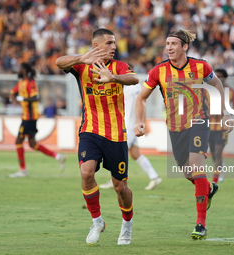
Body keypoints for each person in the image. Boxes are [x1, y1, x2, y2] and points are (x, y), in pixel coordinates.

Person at [134, 29, 233, 240]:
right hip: (175, 127)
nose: (169, 47)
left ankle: (201, 224)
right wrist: (139, 121)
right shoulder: (158, 71)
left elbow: (216, 83)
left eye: (173, 44)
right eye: (167, 44)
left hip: (198, 122)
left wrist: (223, 113)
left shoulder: (200, 66)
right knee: (189, 174)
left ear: (184, 47)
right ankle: (208, 189)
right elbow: (141, 98)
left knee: (197, 167)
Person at [56, 28, 139, 245]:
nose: (114, 47)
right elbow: (58, 61)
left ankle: (127, 224)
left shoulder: (119, 66)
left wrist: (114, 78)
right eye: (110, 43)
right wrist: (82, 57)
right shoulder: (82, 65)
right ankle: (97, 221)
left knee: (120, 187)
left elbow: (134, 78)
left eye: (114, 43)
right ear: (96, 46)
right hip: (90, 130)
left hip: (116, 135)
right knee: (86, 173)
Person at [0, 63, 67, 178]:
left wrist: (21, 98)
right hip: (27, 117)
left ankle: (23, 170)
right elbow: (10, 96)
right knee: (32, 144)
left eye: (20, 68)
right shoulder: (20, 83)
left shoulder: (30, 83)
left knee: (18, 141)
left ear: (24, 70)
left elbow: (36, 97)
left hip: (30, 117)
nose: (18, 70)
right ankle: (58, 156)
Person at [99, 83, 162, 190]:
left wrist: (143, 122)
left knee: (117, 153)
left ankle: (115, 180)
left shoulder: (132, 87)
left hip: (129, 127)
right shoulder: (123, 85)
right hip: (127, 124)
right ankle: (154, 177)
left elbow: (142, 101)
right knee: (135, 153)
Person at [205, 69, 234, 183]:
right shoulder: (207, 91)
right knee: (213, 152)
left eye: (220, 76)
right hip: (209, 126)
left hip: (222, 128)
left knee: (218, 152)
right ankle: (220, 167)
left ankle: (215, 180)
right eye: (216, 76)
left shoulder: (231, 92)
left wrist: (227, 113)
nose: (217, 78)